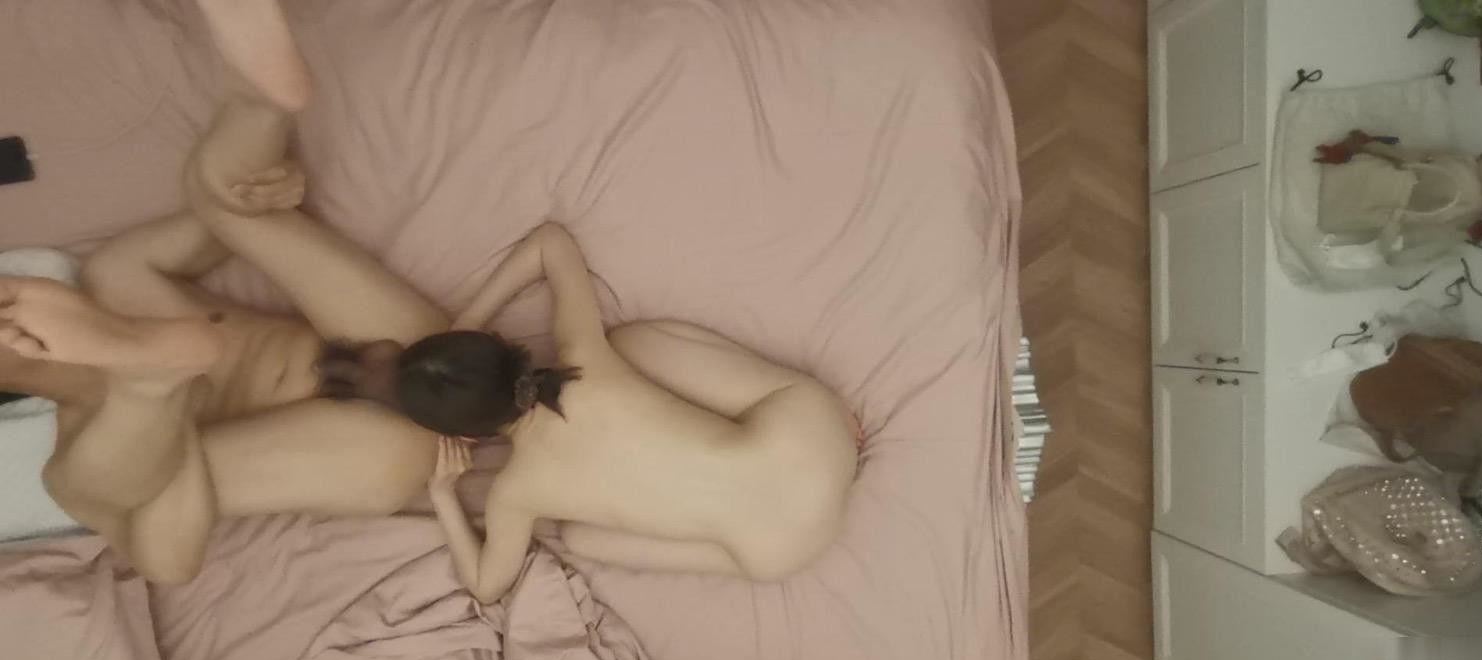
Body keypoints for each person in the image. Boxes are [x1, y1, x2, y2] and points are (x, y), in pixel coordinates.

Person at [0, 32, 445, 583]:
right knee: (107, 489)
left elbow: (228, 214)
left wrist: (273, 190)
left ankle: (261, 99)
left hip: (403, 351)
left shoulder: (118, 277)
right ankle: (157, 381)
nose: (10, 298)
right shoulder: (79, 467)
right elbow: (168, 564)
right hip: (366, 448)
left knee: (221, 192)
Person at [399, 223, 861, 603]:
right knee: (629, 344)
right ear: (500, 344)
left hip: (788, 548)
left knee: (578, 539)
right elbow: (550, 241)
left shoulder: (514, 495)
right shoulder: (582, 354)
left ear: (469, 437)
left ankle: (748, 517)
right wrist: (466, 323)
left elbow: (486, 587)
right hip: (820, 445)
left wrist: (443, 494)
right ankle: (822, 413)